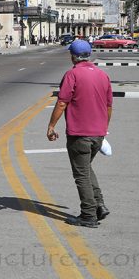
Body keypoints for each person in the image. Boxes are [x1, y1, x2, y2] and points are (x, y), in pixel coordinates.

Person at [46, 39, 112, 228]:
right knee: (85, 169)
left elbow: (61, 102)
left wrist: (51, 126)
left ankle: (88, 215)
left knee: (81, 174)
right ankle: (99, 204)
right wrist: (103, 128)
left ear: (74, 56)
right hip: (98, 134)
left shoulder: (72, 75)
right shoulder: (102, 75)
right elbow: (109, 106)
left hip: (79, 134)